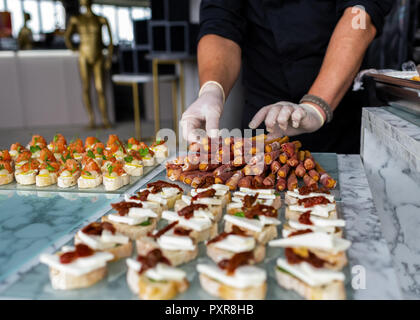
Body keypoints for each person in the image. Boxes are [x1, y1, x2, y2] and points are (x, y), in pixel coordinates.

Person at [180, 1, 394, 153]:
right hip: (264, 114)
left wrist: (316, 106)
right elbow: (221, 24)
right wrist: (212, 89)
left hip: (339, 112)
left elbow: (359, 15)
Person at [64, 0, 113, 129]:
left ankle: (105, 119)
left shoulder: (101, 19)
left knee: (100, 88)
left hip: (98, 55)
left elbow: (111, 42)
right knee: (86, 88)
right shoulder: (76, 19)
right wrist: (74, 48)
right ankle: (91, 119)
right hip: (84, 54)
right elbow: (67, 36)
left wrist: (108, 58)